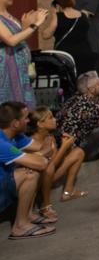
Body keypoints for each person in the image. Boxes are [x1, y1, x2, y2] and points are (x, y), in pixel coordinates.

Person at [0, 101, 54, 239]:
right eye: (25, 118)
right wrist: (40, 155)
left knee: (31, 167)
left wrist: (39, 155)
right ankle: (20, 226)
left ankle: (28, 216)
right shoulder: (1, 143)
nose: (29, 120)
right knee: (30, 173)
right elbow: (42, 159)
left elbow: (45, 148)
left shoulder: (16, 135)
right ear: (15, 123)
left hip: (4, 184)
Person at [27, 106, 86, 220]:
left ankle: (68, 192)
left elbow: (55, 161)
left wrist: (67, 147)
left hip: (50, 174)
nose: (54, 119)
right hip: (37, 180)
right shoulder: (31, 141)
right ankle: (45, 206)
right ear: (40, 124)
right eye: (50, 118)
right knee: (48, 168)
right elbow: (50, 165)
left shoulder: (50, 136)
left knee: (78, 152)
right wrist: (63, 147)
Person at [0, 0, 49, 108]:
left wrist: (25, 27)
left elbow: (19, 38)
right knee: (10, 112)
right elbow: (10, 40)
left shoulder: (8, 15)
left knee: (23, 113)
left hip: (19, 72)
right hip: (6, 75)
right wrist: (36, 24)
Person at [41, 0, 94, 76]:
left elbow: (46, 35)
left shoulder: (58, 16)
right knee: (84, 83)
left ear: (57, 5)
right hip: (85, 54)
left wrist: (54, 14)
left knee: (69, 83)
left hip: (66, 56)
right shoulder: (83, 15)